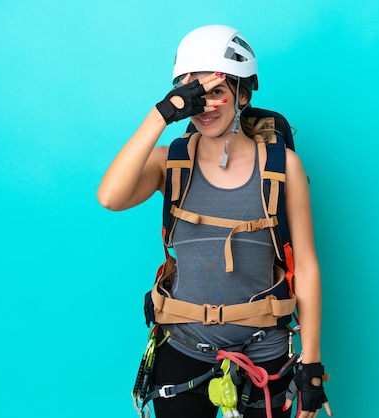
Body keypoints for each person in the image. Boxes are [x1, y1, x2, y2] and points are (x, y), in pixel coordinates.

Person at [97, 25, 332, 418]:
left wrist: (311, 366)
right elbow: (110, 197)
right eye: (192, 98)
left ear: (242, 94)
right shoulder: (168, 161)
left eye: (216, 93)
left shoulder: (282, 167)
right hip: (184, 347)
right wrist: (162, 115)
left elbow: (305, 265)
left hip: (266, 353)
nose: (204, 107)